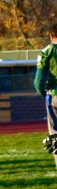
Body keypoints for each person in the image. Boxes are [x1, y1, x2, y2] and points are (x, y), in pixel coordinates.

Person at [34, 24, 57, 168]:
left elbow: (38, 81)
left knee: (55, 136)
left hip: (55, 95)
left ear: (51, 35)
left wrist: (43, 93)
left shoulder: (47, 51)